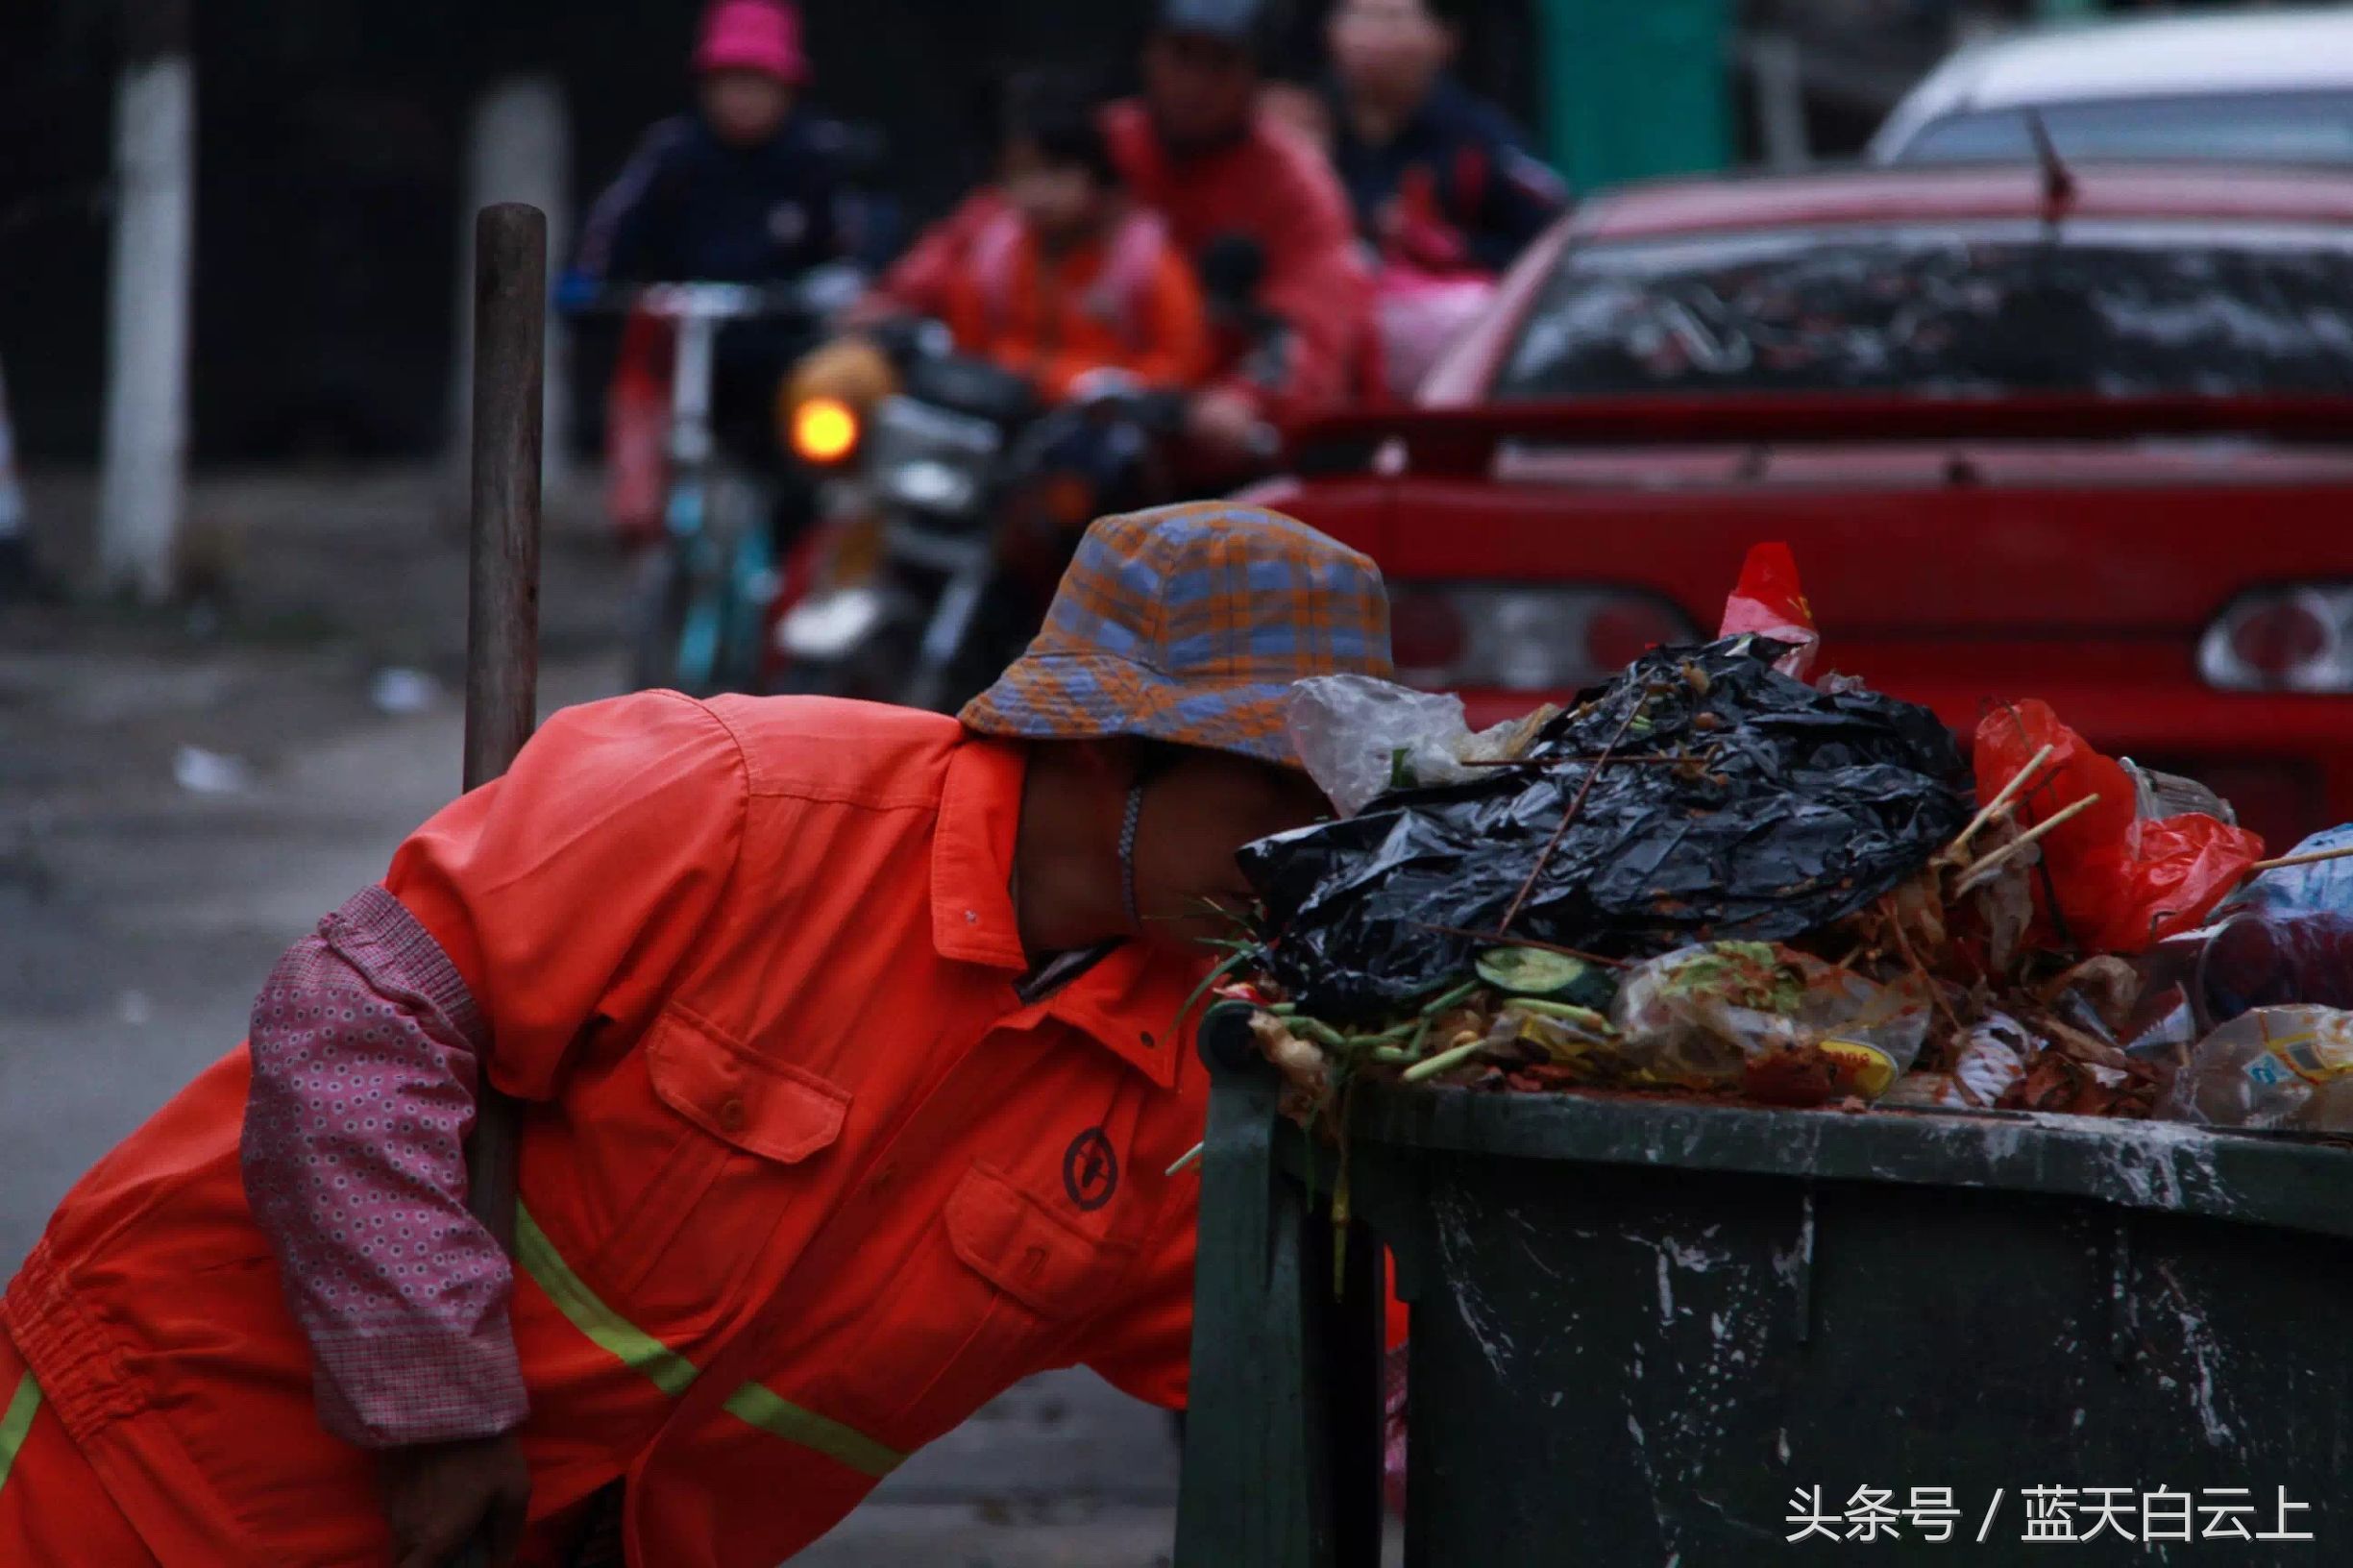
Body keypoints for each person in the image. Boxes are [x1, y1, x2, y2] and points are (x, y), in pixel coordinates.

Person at [0, 502, 1397, 1567]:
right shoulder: (732, 799)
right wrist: (434, 1404)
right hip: (151, 1480)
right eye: (1277, 800)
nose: (1309, 855)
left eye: (1337, 809)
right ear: (1105, 752)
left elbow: (1359, 1358)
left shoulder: (1197, 1069)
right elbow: (348, 1036)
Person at [870, 0, 1376, 468]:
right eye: (1181, 55)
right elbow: (983, 228)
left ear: (1255, 75)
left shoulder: (1293, 185)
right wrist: (894, 300)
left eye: (1220, 62)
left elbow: (1313, 323)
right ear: (1149, 55)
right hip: (1057, 415)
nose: (1195, 82)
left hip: (1208, 442)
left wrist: (1247, 397)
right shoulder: (1104, 142)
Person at [571, 0, 868, 545]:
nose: (742, 98)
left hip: (780, 350)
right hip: (683, 344)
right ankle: (649, 535)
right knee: (640, 408)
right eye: (730, 81)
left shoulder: (816, 156)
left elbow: (855, 248)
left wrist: (837, 288)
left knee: (808, 472)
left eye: (758, 83)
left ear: (788, 88)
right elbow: (613, 232)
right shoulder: (672, 153)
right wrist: (590, 284)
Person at [941, 73, 1210, 404]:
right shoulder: (994, 255)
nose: (1037, 192)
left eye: (1055, 172)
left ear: (1095, 174)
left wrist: (1090, 383)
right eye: (1019, 173)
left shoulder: (1143, 262)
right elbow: (966, 349)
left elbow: (1180, 368)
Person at [1322, 0, 1569, 277]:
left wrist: (1453, 248)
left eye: (1392, 18)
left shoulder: (1480, 141)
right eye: (1358, 16)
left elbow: (1552, 238)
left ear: (1446, 39)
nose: (1371, 37)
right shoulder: (1309, 130)